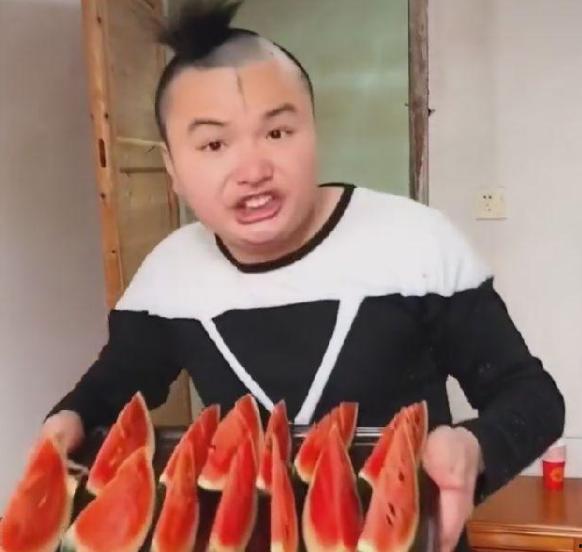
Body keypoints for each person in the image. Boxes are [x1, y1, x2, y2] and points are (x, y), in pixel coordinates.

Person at [41, 1, 564, 550]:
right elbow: (114, 385)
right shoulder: (167, 275)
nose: (253, 170)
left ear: (315, 131)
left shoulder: (418, 244)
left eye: (278, 132)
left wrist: (475, 449)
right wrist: (68, 418)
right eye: (214, 144)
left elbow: (532, 397)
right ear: (172, 167)